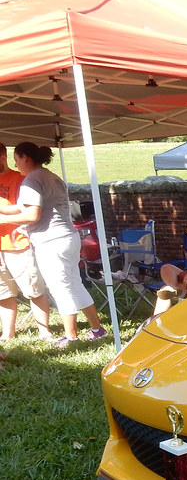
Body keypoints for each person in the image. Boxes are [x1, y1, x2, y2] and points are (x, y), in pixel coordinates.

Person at [0, 142, 104, 349]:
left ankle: (70, 337)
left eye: (17, 159)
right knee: (74, 284)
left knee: (61, 288)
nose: (16, 163)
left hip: (51, 241)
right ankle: (97, 329)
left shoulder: (32, 180)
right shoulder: (50, 176)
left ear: (25, 158)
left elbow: (31, 214)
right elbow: (23, 207)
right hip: (67, 237)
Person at [0, 142, 51, 345]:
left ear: (2, 158)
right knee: (2, 292)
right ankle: (8, 333)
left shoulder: (22, 180)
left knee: (33, 289)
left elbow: (29, 212)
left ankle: (44, 331)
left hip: (18, 243)